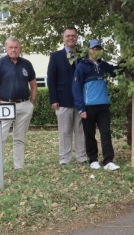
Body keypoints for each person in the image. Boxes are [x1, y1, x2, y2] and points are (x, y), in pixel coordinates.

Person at [0, 36, 37, 175]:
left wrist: (32, 102)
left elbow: (33, 84)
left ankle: (18, 166)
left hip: (24, 104)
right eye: (11, 47)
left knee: (19, 138)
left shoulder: (26, 64)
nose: (13, 50)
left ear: (20, 48)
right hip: (5, 105)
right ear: (6, 48)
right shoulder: (0, 63)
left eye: (16, 47)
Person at [72, 39, 120, 171]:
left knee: (105, 133)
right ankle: (93, 160)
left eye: (98, 48)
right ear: (89, 50)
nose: (96, 51)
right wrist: (81, 108)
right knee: (90, 134)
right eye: (94, 48)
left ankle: (108, 161)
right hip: (88, 107)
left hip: (103, 105)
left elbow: (116, 71)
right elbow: (76, 88)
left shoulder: (104, 65)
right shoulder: (82, 66)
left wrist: (124, 63)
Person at [47, 26, 88, 165]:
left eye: (73, 36)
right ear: (63, 38)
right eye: (68, 36)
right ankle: (65, 158)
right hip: (62, 100)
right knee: (65, 132)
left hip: (81, 100)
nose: (71, 38)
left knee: (81, 130)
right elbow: (51, 79)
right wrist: (53, 99)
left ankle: (82, 157)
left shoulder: (83, 56)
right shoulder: (55, 56)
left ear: (77, 38)